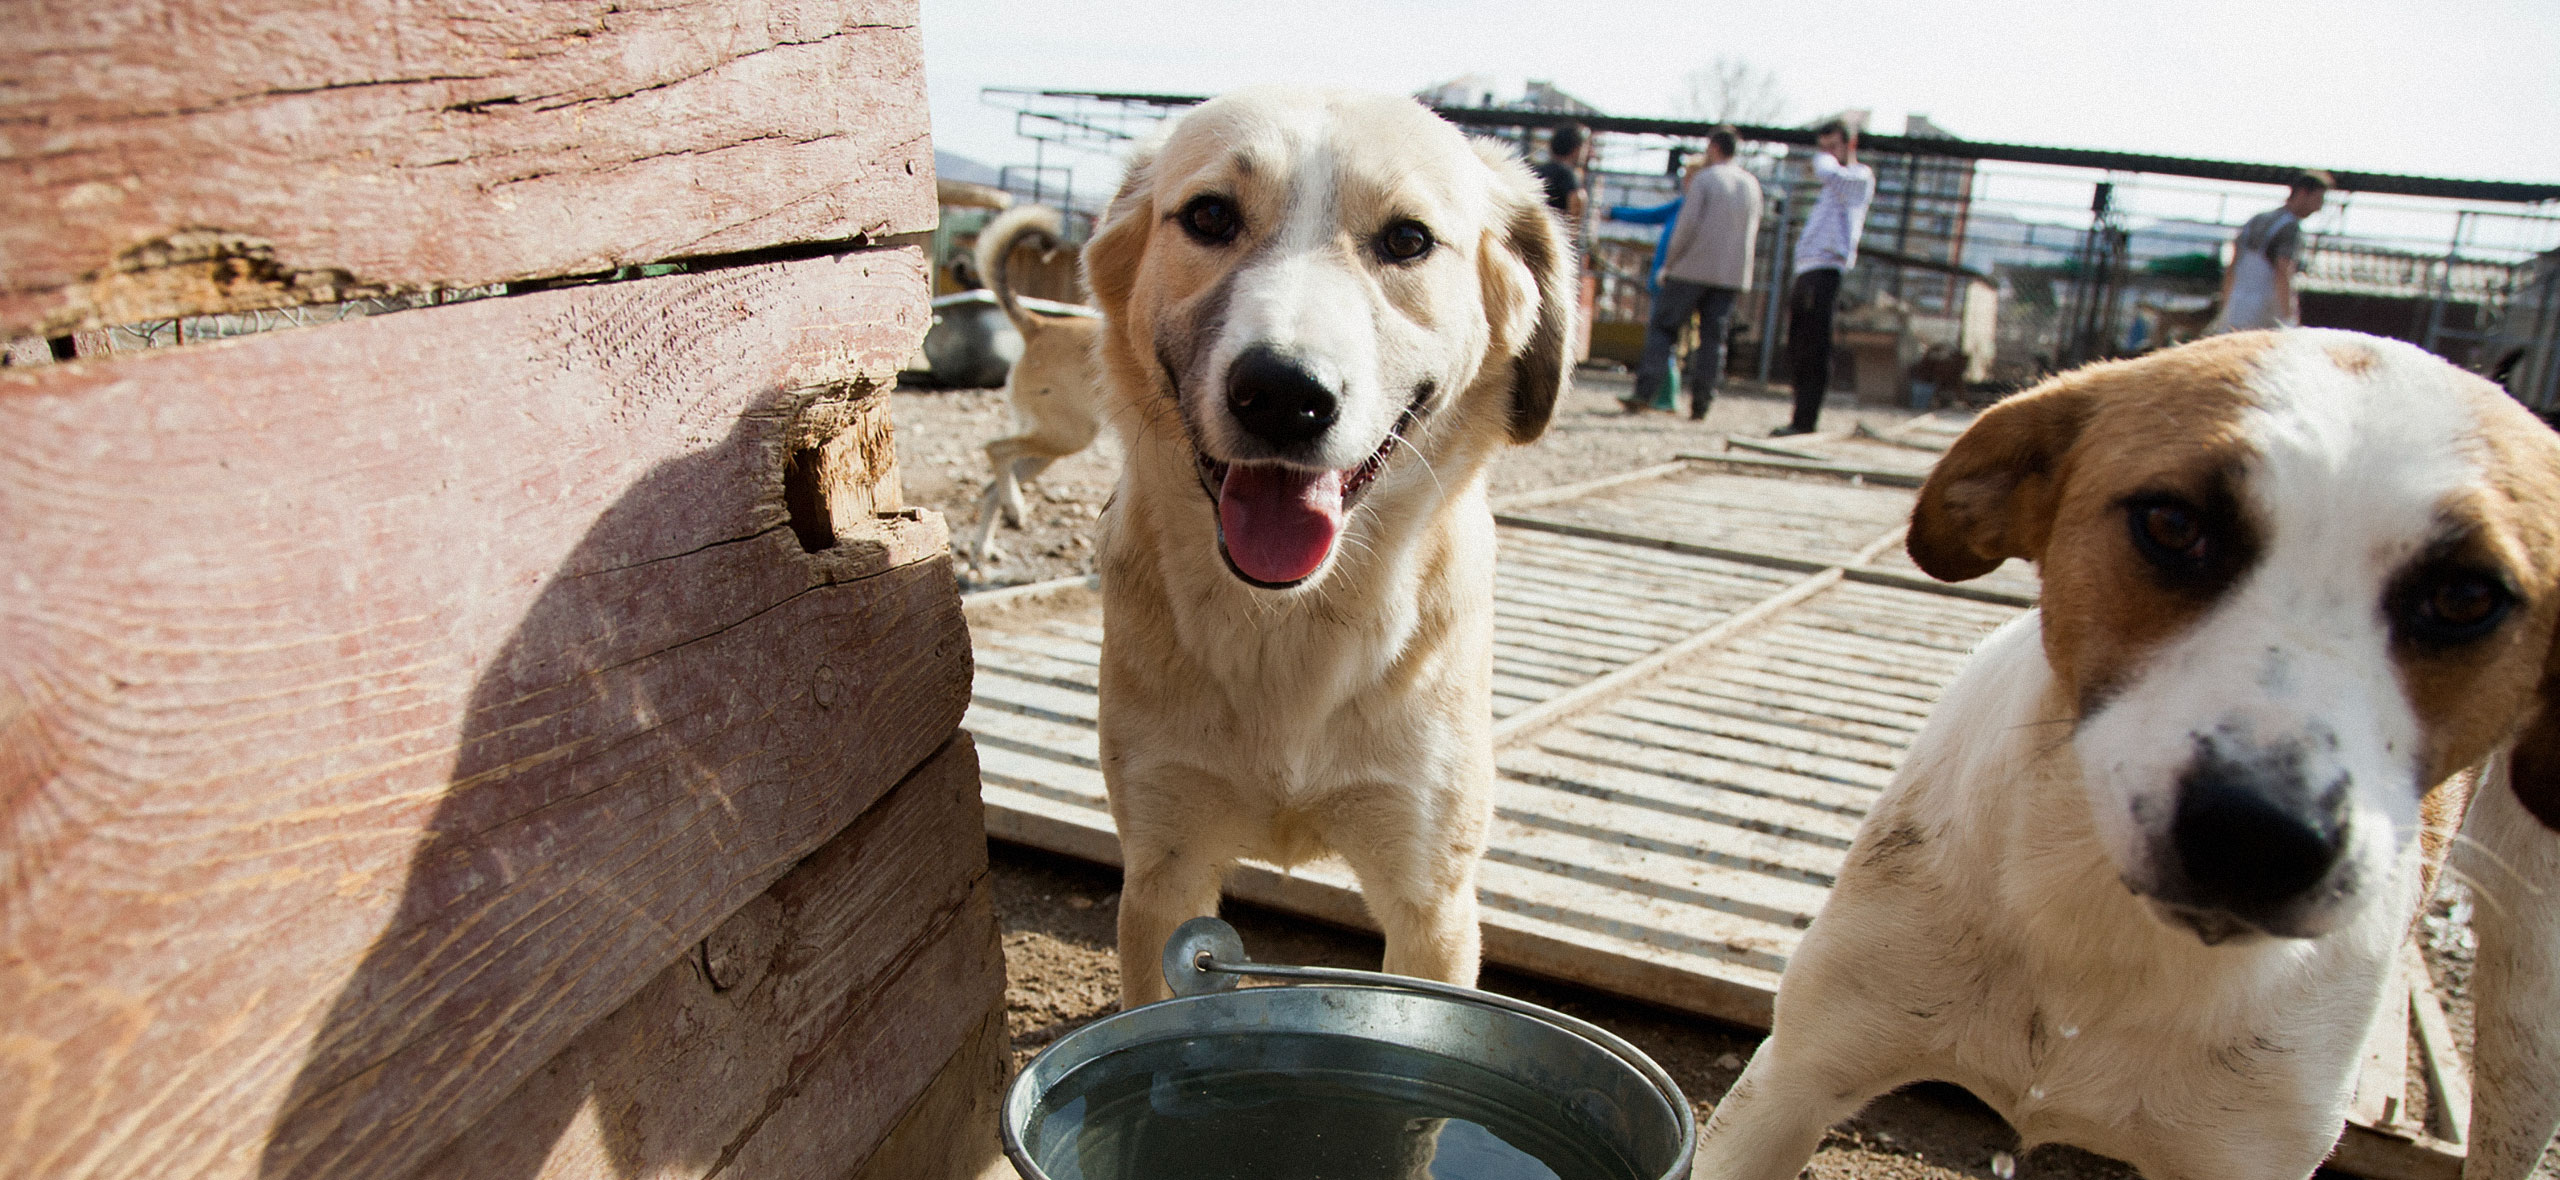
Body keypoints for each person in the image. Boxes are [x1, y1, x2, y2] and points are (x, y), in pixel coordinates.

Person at [1616, 126, 1761, 420]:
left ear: (1714, 147)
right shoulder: (1751, 184)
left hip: (1690, 270)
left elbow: (1686, 226)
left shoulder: (1706, 179)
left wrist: (1669, 264)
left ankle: (1645, 394)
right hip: (1729, 276)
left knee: (1663, 330)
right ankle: (1701, 405)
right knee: (1713, 340)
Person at [1777, 119, 1874, 437]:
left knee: (1815, 345)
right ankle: (1798, 416)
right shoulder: (1829, 189)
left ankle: (1806, 420)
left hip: (1827, 269)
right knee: (1797, 344)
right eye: (1824, 149)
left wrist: (1824, 160)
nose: (1828, 155)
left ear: (1850, 144)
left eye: (1834, 147)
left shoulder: (1858, 178)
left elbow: (1832, 174)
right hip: (1807, 268)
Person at [2214, 169, 2331, 333]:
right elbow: (2283, 272)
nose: (2319, 208)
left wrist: (2226, 306)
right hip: (2265, 314)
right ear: (2303, 193)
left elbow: (2232, 267)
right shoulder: (2290, 227)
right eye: (2319, 199)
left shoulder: (2256, 220)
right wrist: (2289, 317)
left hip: (2236, 306)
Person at [1530, 122, 1590, 218]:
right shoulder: (1568, 174)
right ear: (1577, 148)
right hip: (1555, 229)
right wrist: (1573, 230)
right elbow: (1577, 198)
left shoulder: (1537, 170)